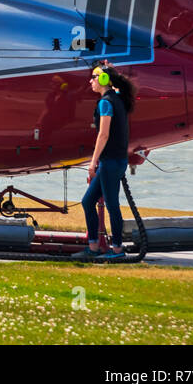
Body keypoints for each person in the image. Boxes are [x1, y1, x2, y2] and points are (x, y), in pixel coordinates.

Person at [73, 63, 135, 261]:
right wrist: (110, 68)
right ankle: (93, 247)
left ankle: (117, 250)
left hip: (110, 162)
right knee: (88, 202)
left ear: (102, 81)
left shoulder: (106, 103)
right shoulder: (116, 98)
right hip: (114, 161)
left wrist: (93, 163)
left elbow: (103, 134)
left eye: (93, 77)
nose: (90, 81)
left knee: (112, 205)